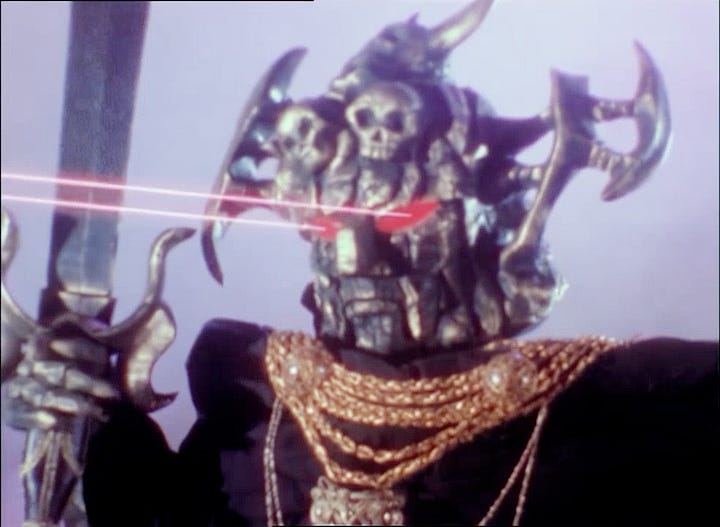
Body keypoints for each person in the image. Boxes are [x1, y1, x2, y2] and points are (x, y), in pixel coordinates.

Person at [4, 2, 718, 525]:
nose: (360, 256)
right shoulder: (255, 414)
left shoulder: (604, 409)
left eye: (398, 222)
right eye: (332, 224)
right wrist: (79, 416)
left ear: (478, 219)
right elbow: (152, 512)